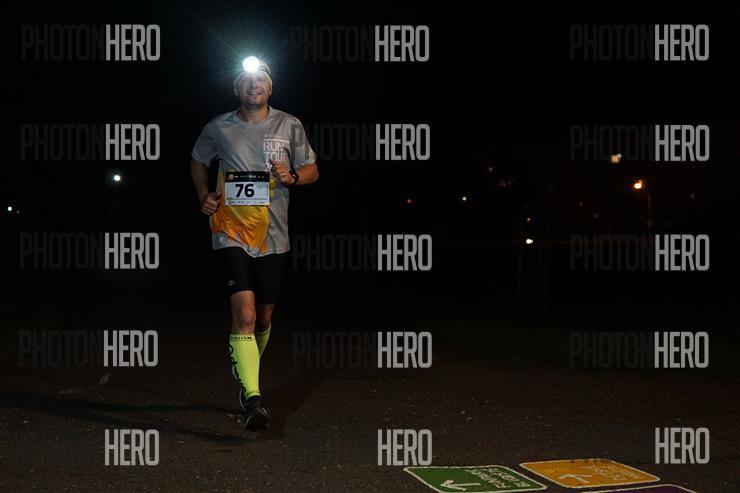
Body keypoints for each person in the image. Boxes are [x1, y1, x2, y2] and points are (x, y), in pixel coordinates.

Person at [190, 56, 319, 431]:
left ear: (270, 86)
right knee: (244, 315)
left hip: (273, 235)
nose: (253, 85)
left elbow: (312, 170)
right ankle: (252, 398)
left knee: (263, 317)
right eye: (245, 80)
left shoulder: (289, 124)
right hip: (229, 230)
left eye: (260, 79)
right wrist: (203, 194)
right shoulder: (219, 127)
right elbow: (197, 160)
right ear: (236, 88)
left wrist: (292, 176)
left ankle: (248, 372)